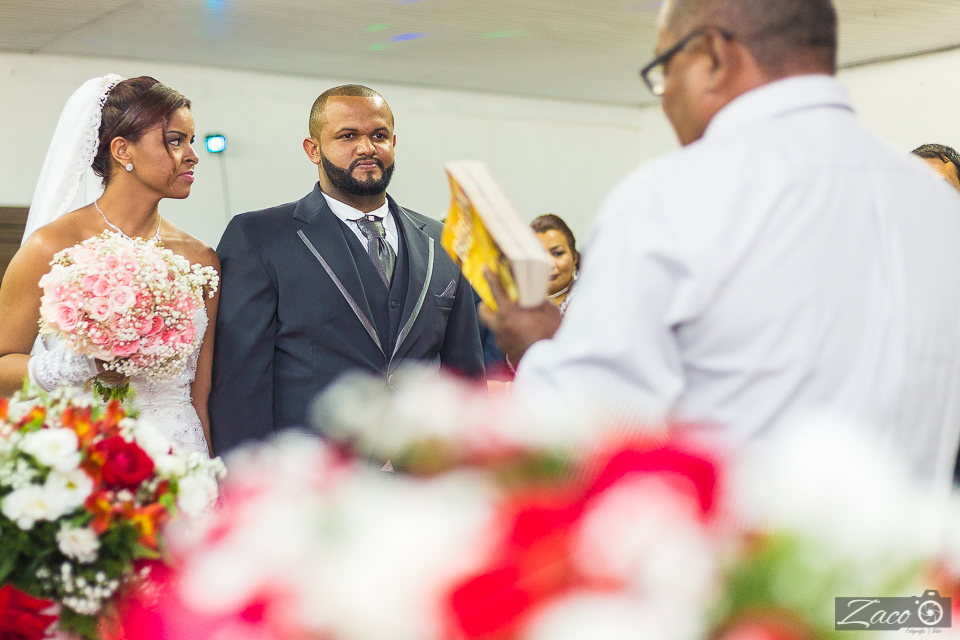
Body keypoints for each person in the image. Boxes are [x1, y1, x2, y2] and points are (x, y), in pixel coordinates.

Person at [480, 0, 960, 491]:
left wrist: (540, 349)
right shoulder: (937, 206)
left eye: (665, 71)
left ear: (711, 55)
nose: (666, 100)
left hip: (751, 540)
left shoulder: (667, 198)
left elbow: (587, 434)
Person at [210, 84, 485, 454]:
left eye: (379, 136)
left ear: (393, 143)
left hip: (423, 465)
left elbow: (465, 373)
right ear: (313, 149)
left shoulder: (442, 240)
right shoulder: (260, 237)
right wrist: (248, 472)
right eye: (348, 136)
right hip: (314, 465)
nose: (366, 147)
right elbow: (240, 380)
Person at [0, 75, 220, 455]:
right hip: (85, 451)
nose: (192, 155)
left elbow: (201, 395)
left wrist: (213, 473)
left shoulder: (200, 259)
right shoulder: (50, 246)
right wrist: (80, 364)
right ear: (122, 150)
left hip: (179, 450)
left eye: (191, 140)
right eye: (174, 140)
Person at [531, 214, 580, 315]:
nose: (549, 264)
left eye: (557, 253)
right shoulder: (518, 304)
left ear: (574, 258)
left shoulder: (589, 299)